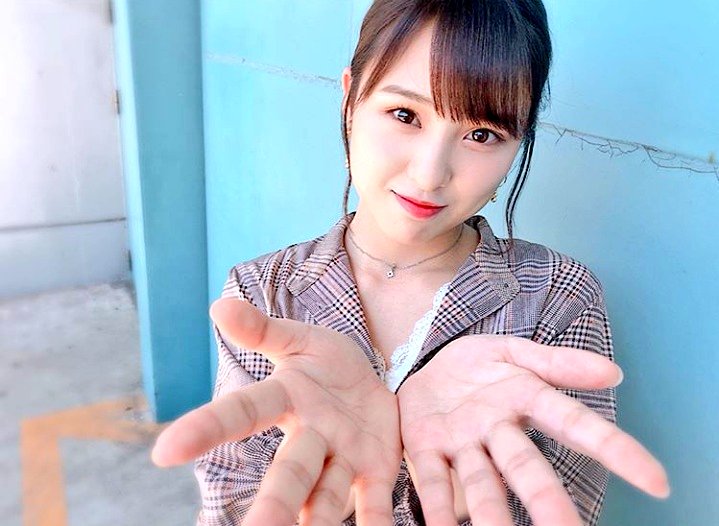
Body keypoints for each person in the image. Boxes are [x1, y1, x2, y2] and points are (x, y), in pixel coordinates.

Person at [152, 1, 670, 525]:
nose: (430, 173)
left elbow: (570, 505)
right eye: (405, 115)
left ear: (517, 145)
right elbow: (229, 502)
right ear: (350, 99)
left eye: (482, 135)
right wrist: (335, 483)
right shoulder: (264, 293)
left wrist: (451, 490)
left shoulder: (558, 297)